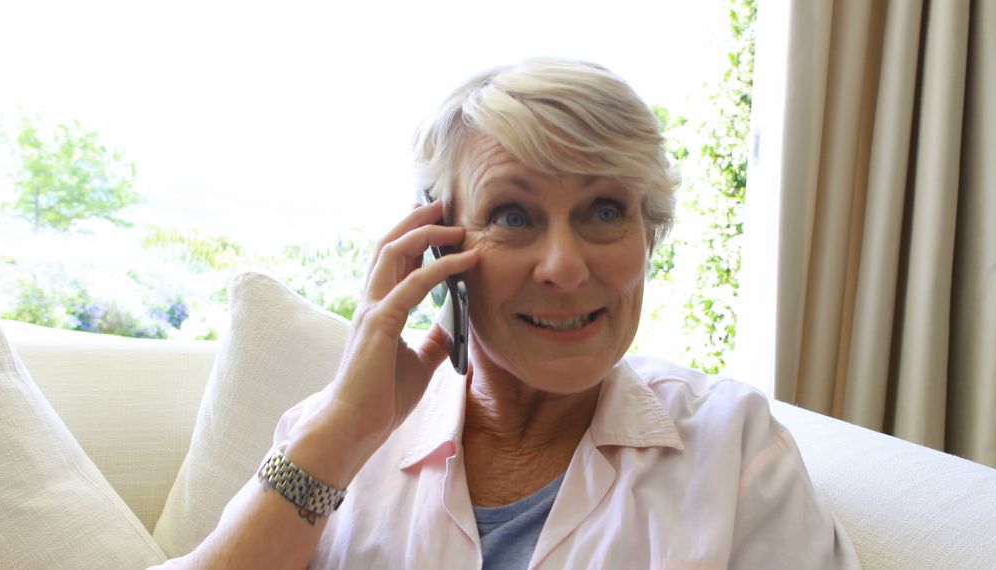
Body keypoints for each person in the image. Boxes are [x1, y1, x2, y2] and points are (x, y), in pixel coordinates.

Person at [160, 58, 860, 569]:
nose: (563, 265)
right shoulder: (334, 442)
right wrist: (341, 432)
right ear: (436, 245)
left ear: (649, 236)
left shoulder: (734, 448)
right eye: (513, 215)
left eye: (605, 211)